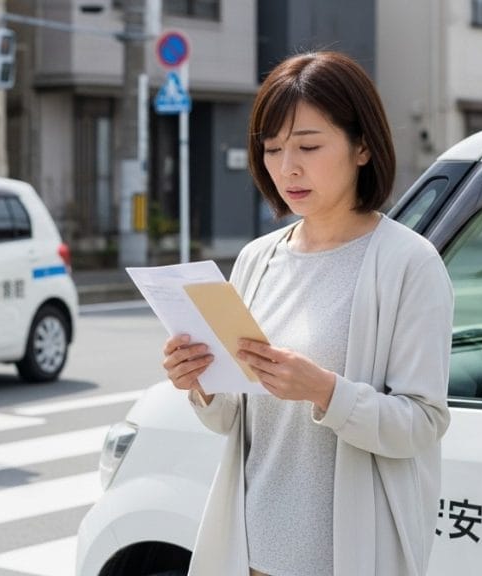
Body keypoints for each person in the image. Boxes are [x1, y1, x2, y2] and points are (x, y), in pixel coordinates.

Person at [162, 51, 453, 576]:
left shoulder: (408, 262)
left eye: (309, 146)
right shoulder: (258, 259)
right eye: (272, 149)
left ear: (362, 145)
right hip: (250, 551)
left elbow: (423, 423)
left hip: (345, 556)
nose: (286, 168)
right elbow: (234, 418)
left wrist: (325, 391)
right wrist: (200, 382)